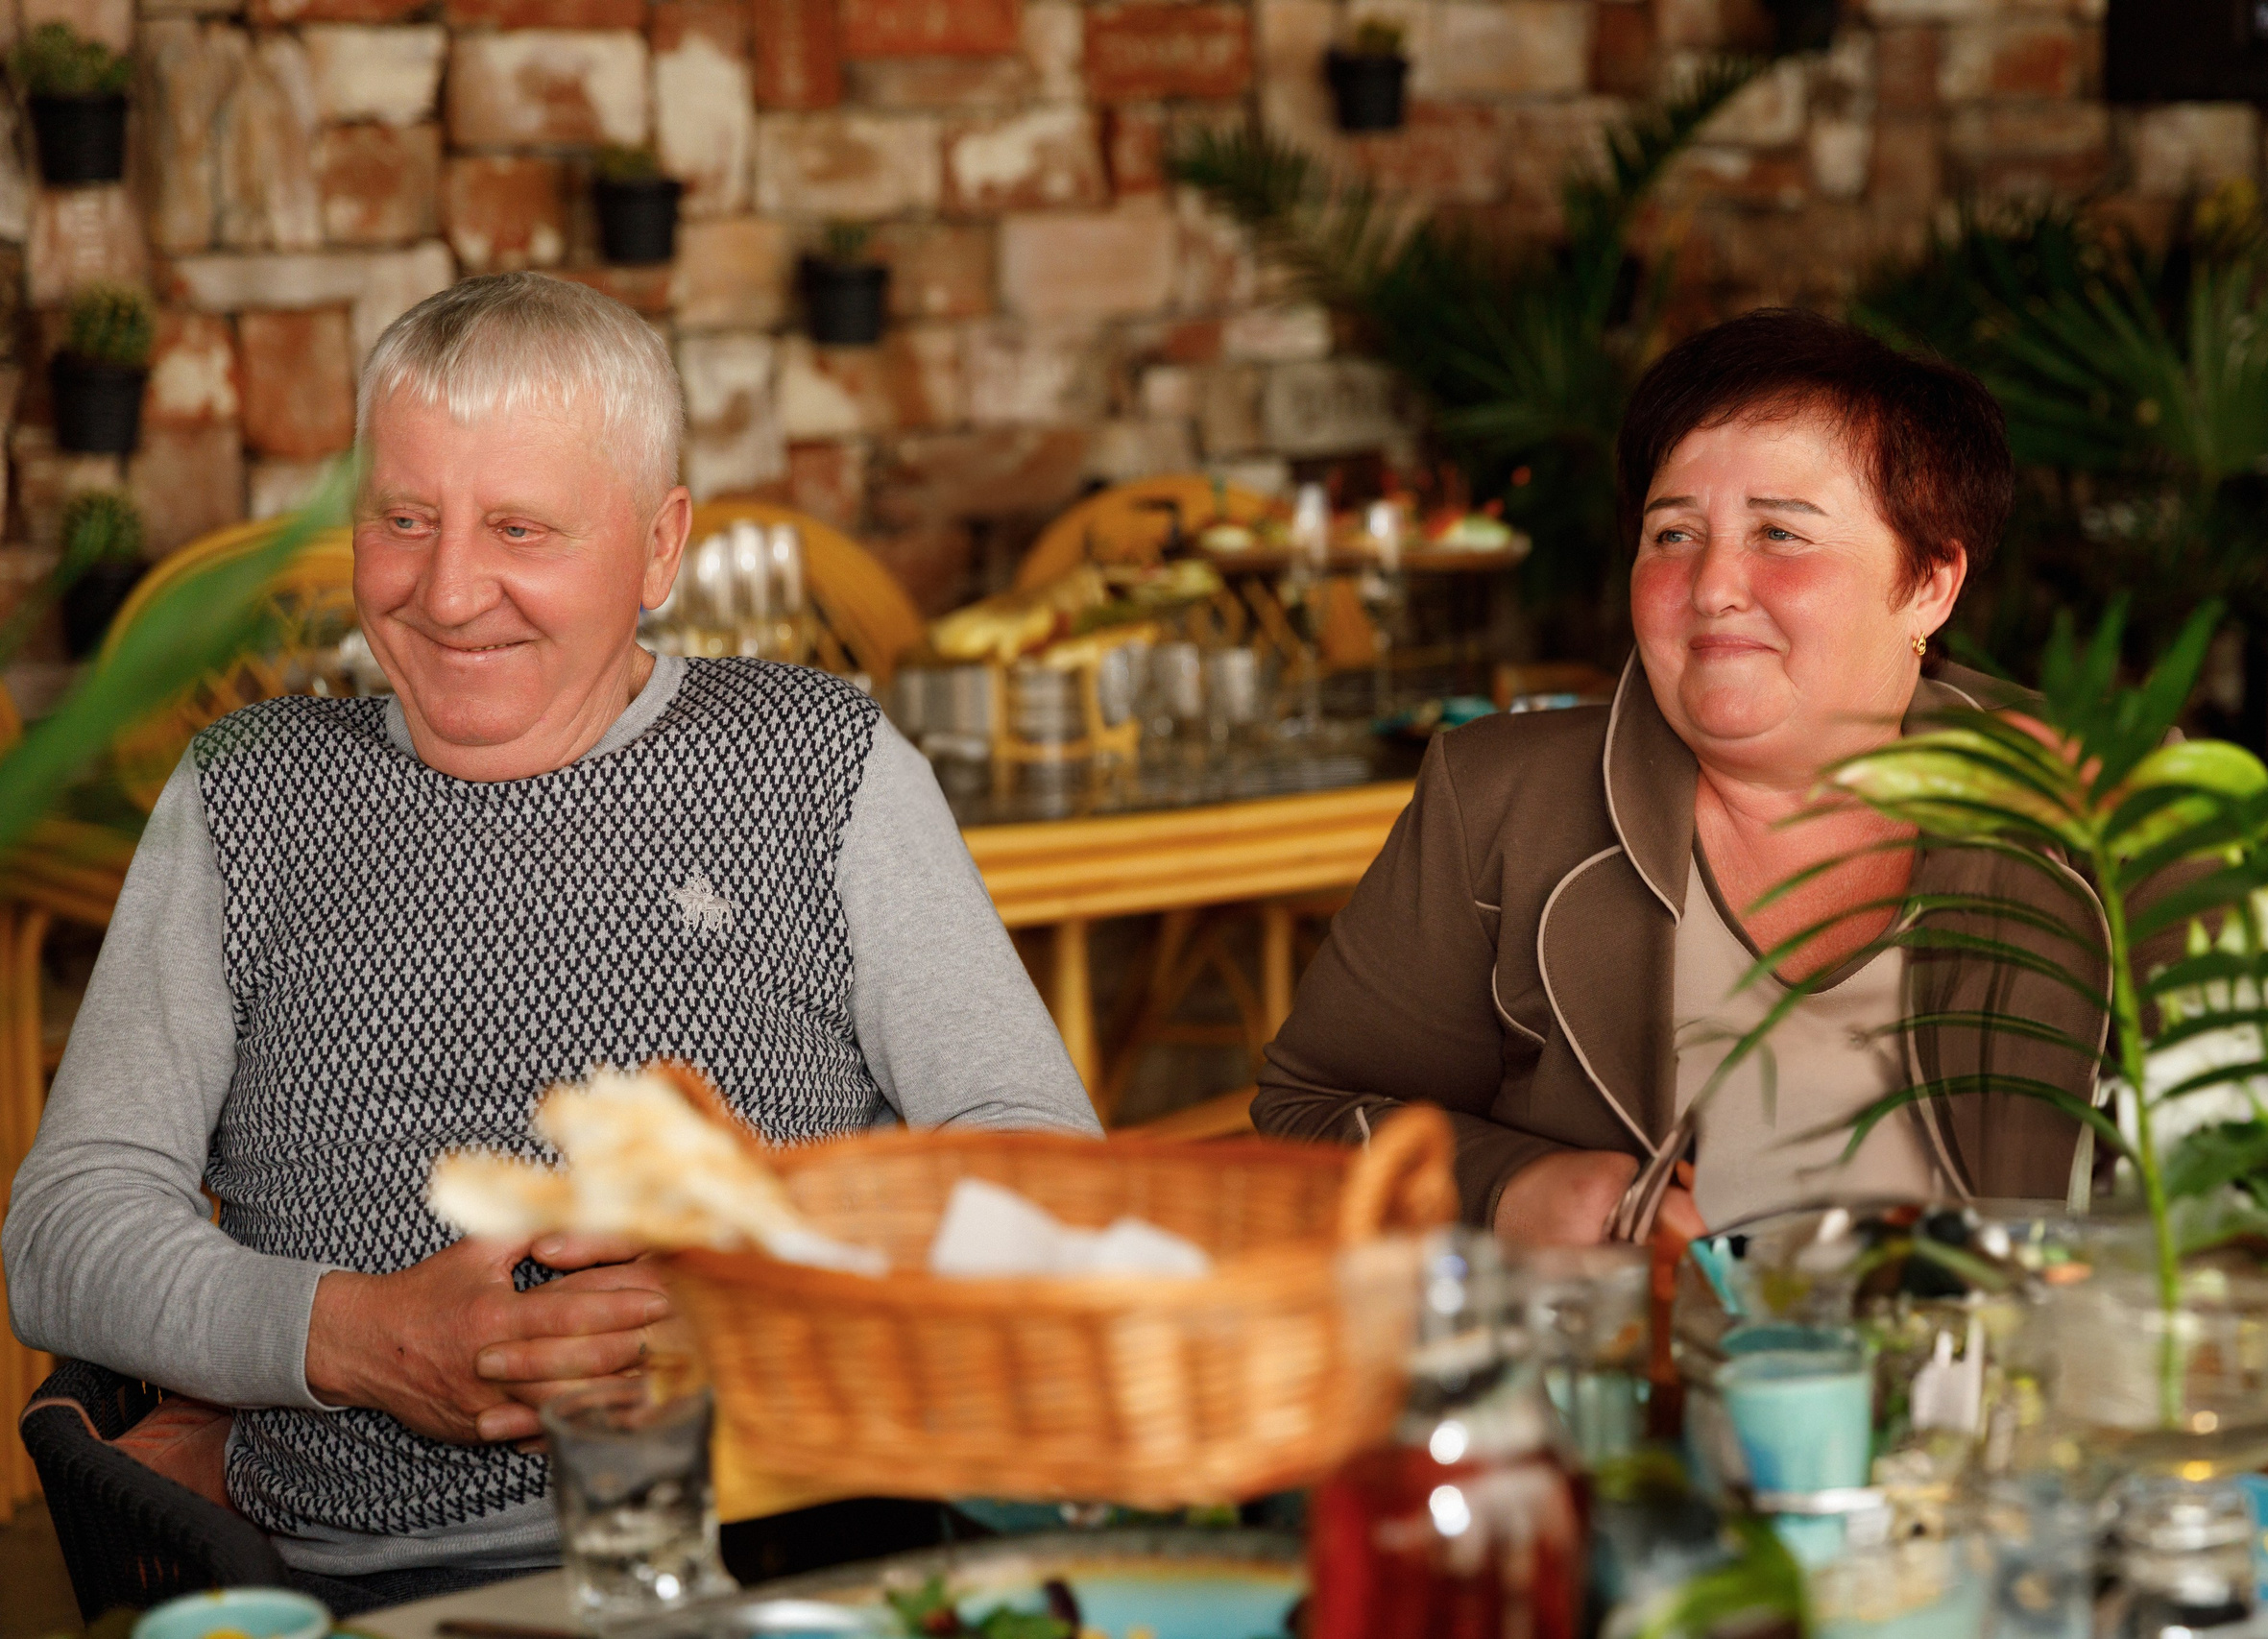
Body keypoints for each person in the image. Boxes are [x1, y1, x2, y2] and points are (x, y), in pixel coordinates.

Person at [5, 273, 1099, 1604]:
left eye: (519, 527)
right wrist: (349, 1336)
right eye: (404, 520)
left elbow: (1049, 1174)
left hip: (802, 1563)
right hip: (378, 1586)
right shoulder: (245, 792)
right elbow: (62, 1229)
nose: (450, 591)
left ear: (658, 546)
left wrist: (785, 1279)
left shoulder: (822, 764)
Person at [1253, 309, 2121, 1246]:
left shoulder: (2102, 806)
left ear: (1929, 584)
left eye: (1779, 533)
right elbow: (1309, 1112)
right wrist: (1513, 1189)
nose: (1711, 587)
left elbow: (2231, 1155)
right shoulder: (1500, 801)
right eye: (1672, 534)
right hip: (1627, 1343)